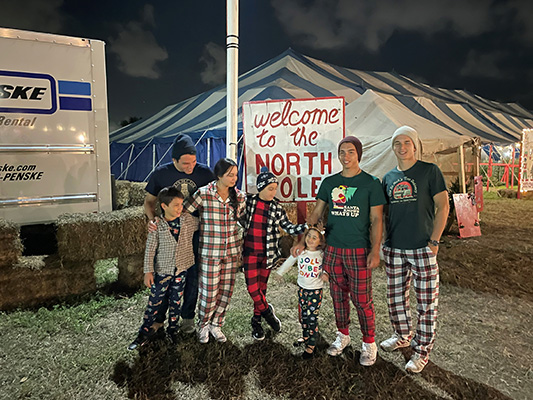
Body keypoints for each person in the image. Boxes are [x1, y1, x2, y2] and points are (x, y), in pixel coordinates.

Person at [292, 136, 386, 366]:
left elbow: (376, 219)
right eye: (342, 152)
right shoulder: (330, 182)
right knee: (338, 297)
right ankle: (343, 335)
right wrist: (304, 239)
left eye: (351, 152)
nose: (346, 156)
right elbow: (316, 214)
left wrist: (375, 250)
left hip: (359, 250)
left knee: (362, 300)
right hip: (333, 250)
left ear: (359, 154)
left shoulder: (371, 183)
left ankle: (368, 343)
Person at [380, 126, 449, 373]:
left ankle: (422, 351)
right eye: (397, 143)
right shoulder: (388, 178)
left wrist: (434, 241)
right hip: (395, 248)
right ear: (393, 148)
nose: (402, 147)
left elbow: (443, 206)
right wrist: (384, 244)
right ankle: (402, 335)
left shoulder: (429, 171)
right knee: (396, 298)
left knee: (426, 303)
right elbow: (385, 214)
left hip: (423, 247)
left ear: (415, 145)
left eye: (407, 142)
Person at [144, 134, 215, 335]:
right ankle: (159, 318)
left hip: (195, 232)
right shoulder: (161, 174)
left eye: (193, 161)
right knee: (165, 275)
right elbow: (149, 202)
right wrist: (152, 221)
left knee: (192, 276)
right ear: (174, 160)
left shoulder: (204, 172)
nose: (191, 166)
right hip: (169, 234)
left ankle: (187, 318)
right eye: (185, 163)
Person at [239, 168, 307, 341]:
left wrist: (304, 228)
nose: (273, 191)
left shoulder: (277, 207)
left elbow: (287, 226)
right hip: (250, 253)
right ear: (260, 187)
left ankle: (256, 321)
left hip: (268, 254)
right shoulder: (248, 202)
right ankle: (268, 313)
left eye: (275, 188)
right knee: (252, 288)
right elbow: (237, 216)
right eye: (270, 188)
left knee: (261, 289)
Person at [128, 186, 198, 350]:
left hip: (181, 270)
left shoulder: (187, 221)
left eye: (181, 204)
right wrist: (148, 272)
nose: (180, 208)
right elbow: (150, 250)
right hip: (162, 271)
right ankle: (145, 331)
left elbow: (205, 222)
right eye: (176, 205)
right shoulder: (157, 225)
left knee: (176, 302)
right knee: (154, 302)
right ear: (164, 206)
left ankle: (172, 330)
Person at [184, 158, 246, 343]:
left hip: (232, 250)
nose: (234, 178)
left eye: (235, 174)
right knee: (209, 291)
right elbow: (185, 212)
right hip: (210, 251)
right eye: (230, 175)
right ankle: (203, 324)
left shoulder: (240, 196)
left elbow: (242, 220)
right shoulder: (203, 194)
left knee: (226, 290)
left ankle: (217, 324)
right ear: (219, 175)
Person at [277, 227, 327, 359]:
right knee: (304, 316)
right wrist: (280, 272)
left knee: (312, 318)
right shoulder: (301, 252)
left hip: (315, 291)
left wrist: (326, 274)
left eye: (314, 237)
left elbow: (329, 266)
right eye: (308, 236)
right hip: (302, 289)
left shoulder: (321, 254)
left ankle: (311, 345)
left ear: (320, 242)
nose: (310, 239)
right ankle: (305, 337)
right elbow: (289, 261)